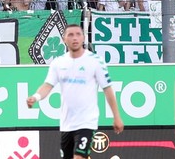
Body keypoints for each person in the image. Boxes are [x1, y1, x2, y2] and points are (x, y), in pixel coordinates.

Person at [26, 24, 123, 159]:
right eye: (70, 35)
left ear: (83, 37)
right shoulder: (58, 63)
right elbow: (47, 86)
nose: (75, 38)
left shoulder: (95, 61)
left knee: (79, 157)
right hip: (66, 124)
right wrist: (35, 97)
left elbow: (107, 89)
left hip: (87, 122)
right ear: (64, 39)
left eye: (78, 34)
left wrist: (116, 116)